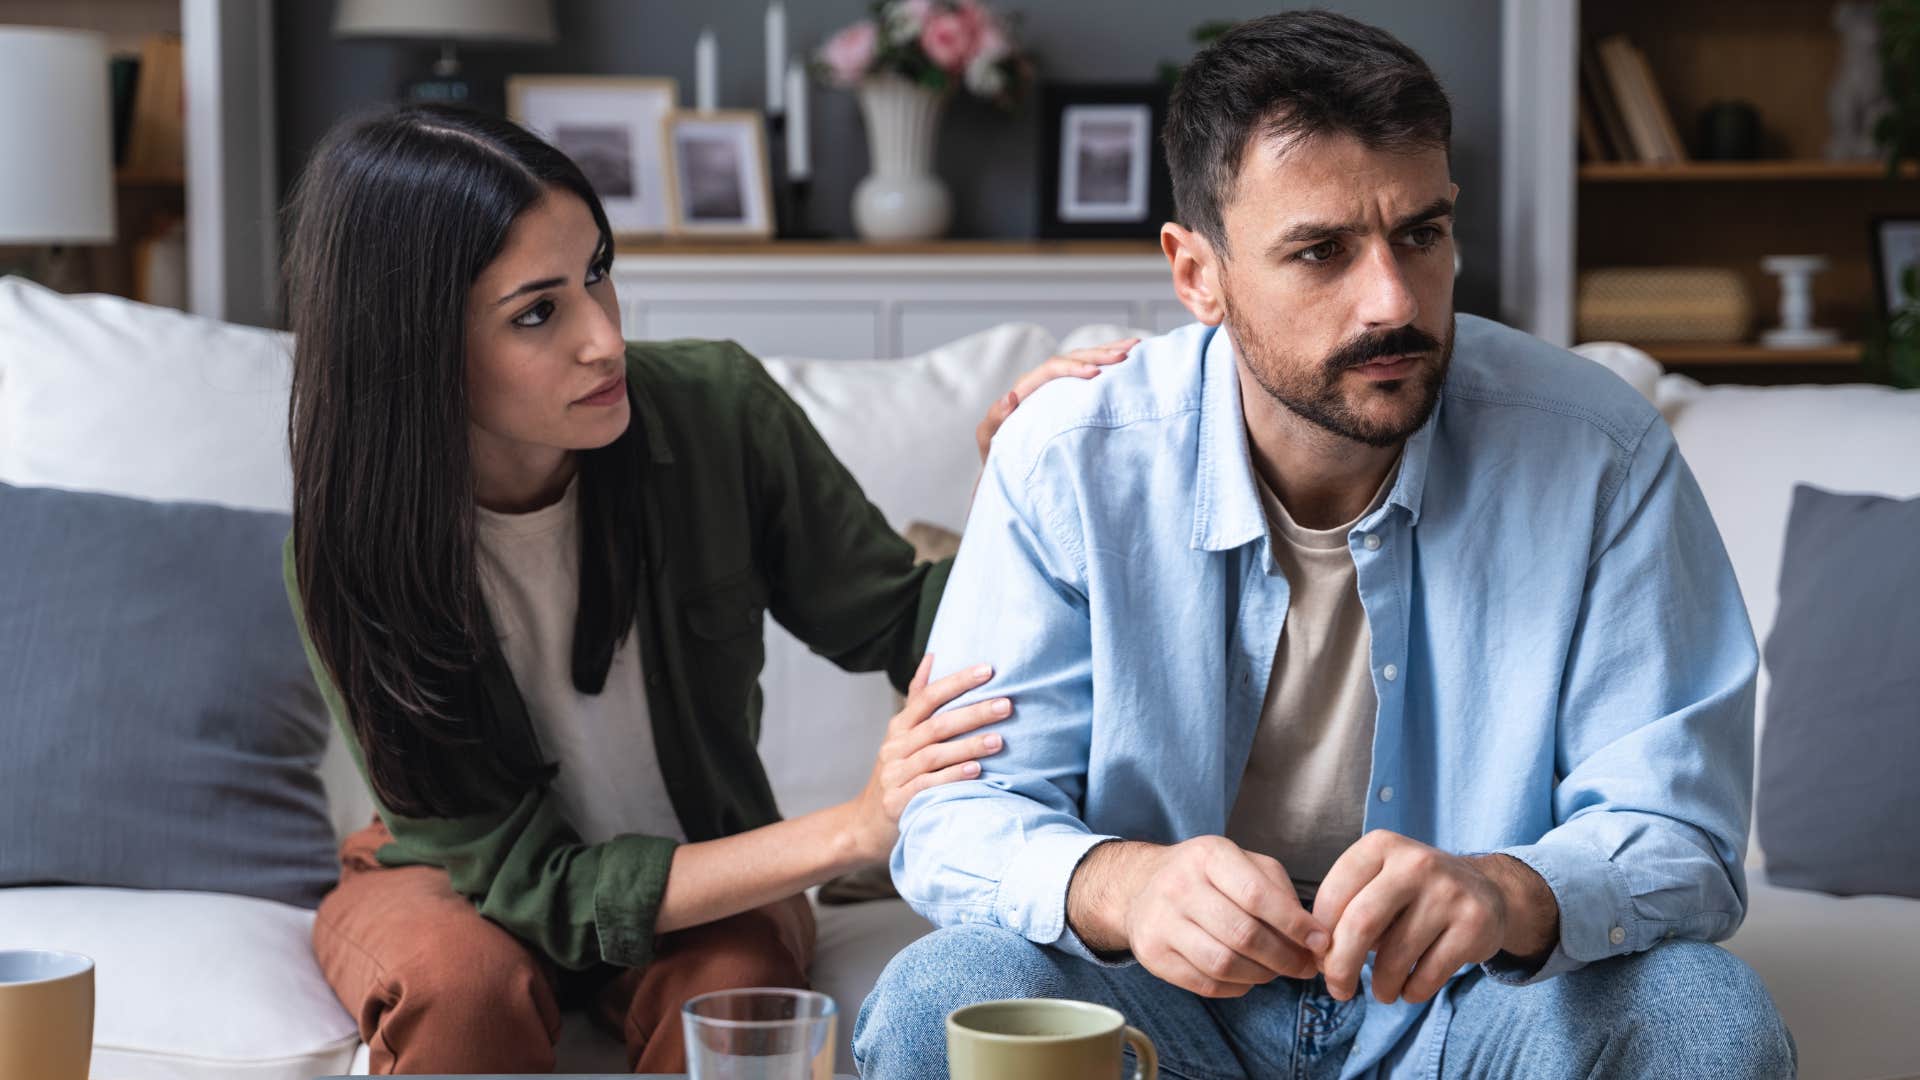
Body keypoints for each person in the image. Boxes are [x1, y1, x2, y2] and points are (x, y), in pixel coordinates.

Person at [857, 11, 1795, 1079]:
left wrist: (1506, 892)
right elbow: (957, 817)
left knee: (1701, 1014)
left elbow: (1685, 838)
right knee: (945, 995)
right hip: (1157, 1009)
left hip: (1472, 1005)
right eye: (1321, 251)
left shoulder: (1602, 454)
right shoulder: (1070, 461)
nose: (1393, 300)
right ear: (1196, 272)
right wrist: (1127, 886)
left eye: (1421, 235)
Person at [279, 103, 1130, 1075]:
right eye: (537, 312)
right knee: (460, 990)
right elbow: (539, 887)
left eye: (597, 272)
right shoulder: (352, 553)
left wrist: (1023, 482)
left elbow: (901, 622)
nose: (604, 338)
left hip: (708, 863)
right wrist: (854, 827)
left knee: (732, 995)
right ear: (413, 347)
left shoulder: (715, 413)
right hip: (459, 878)